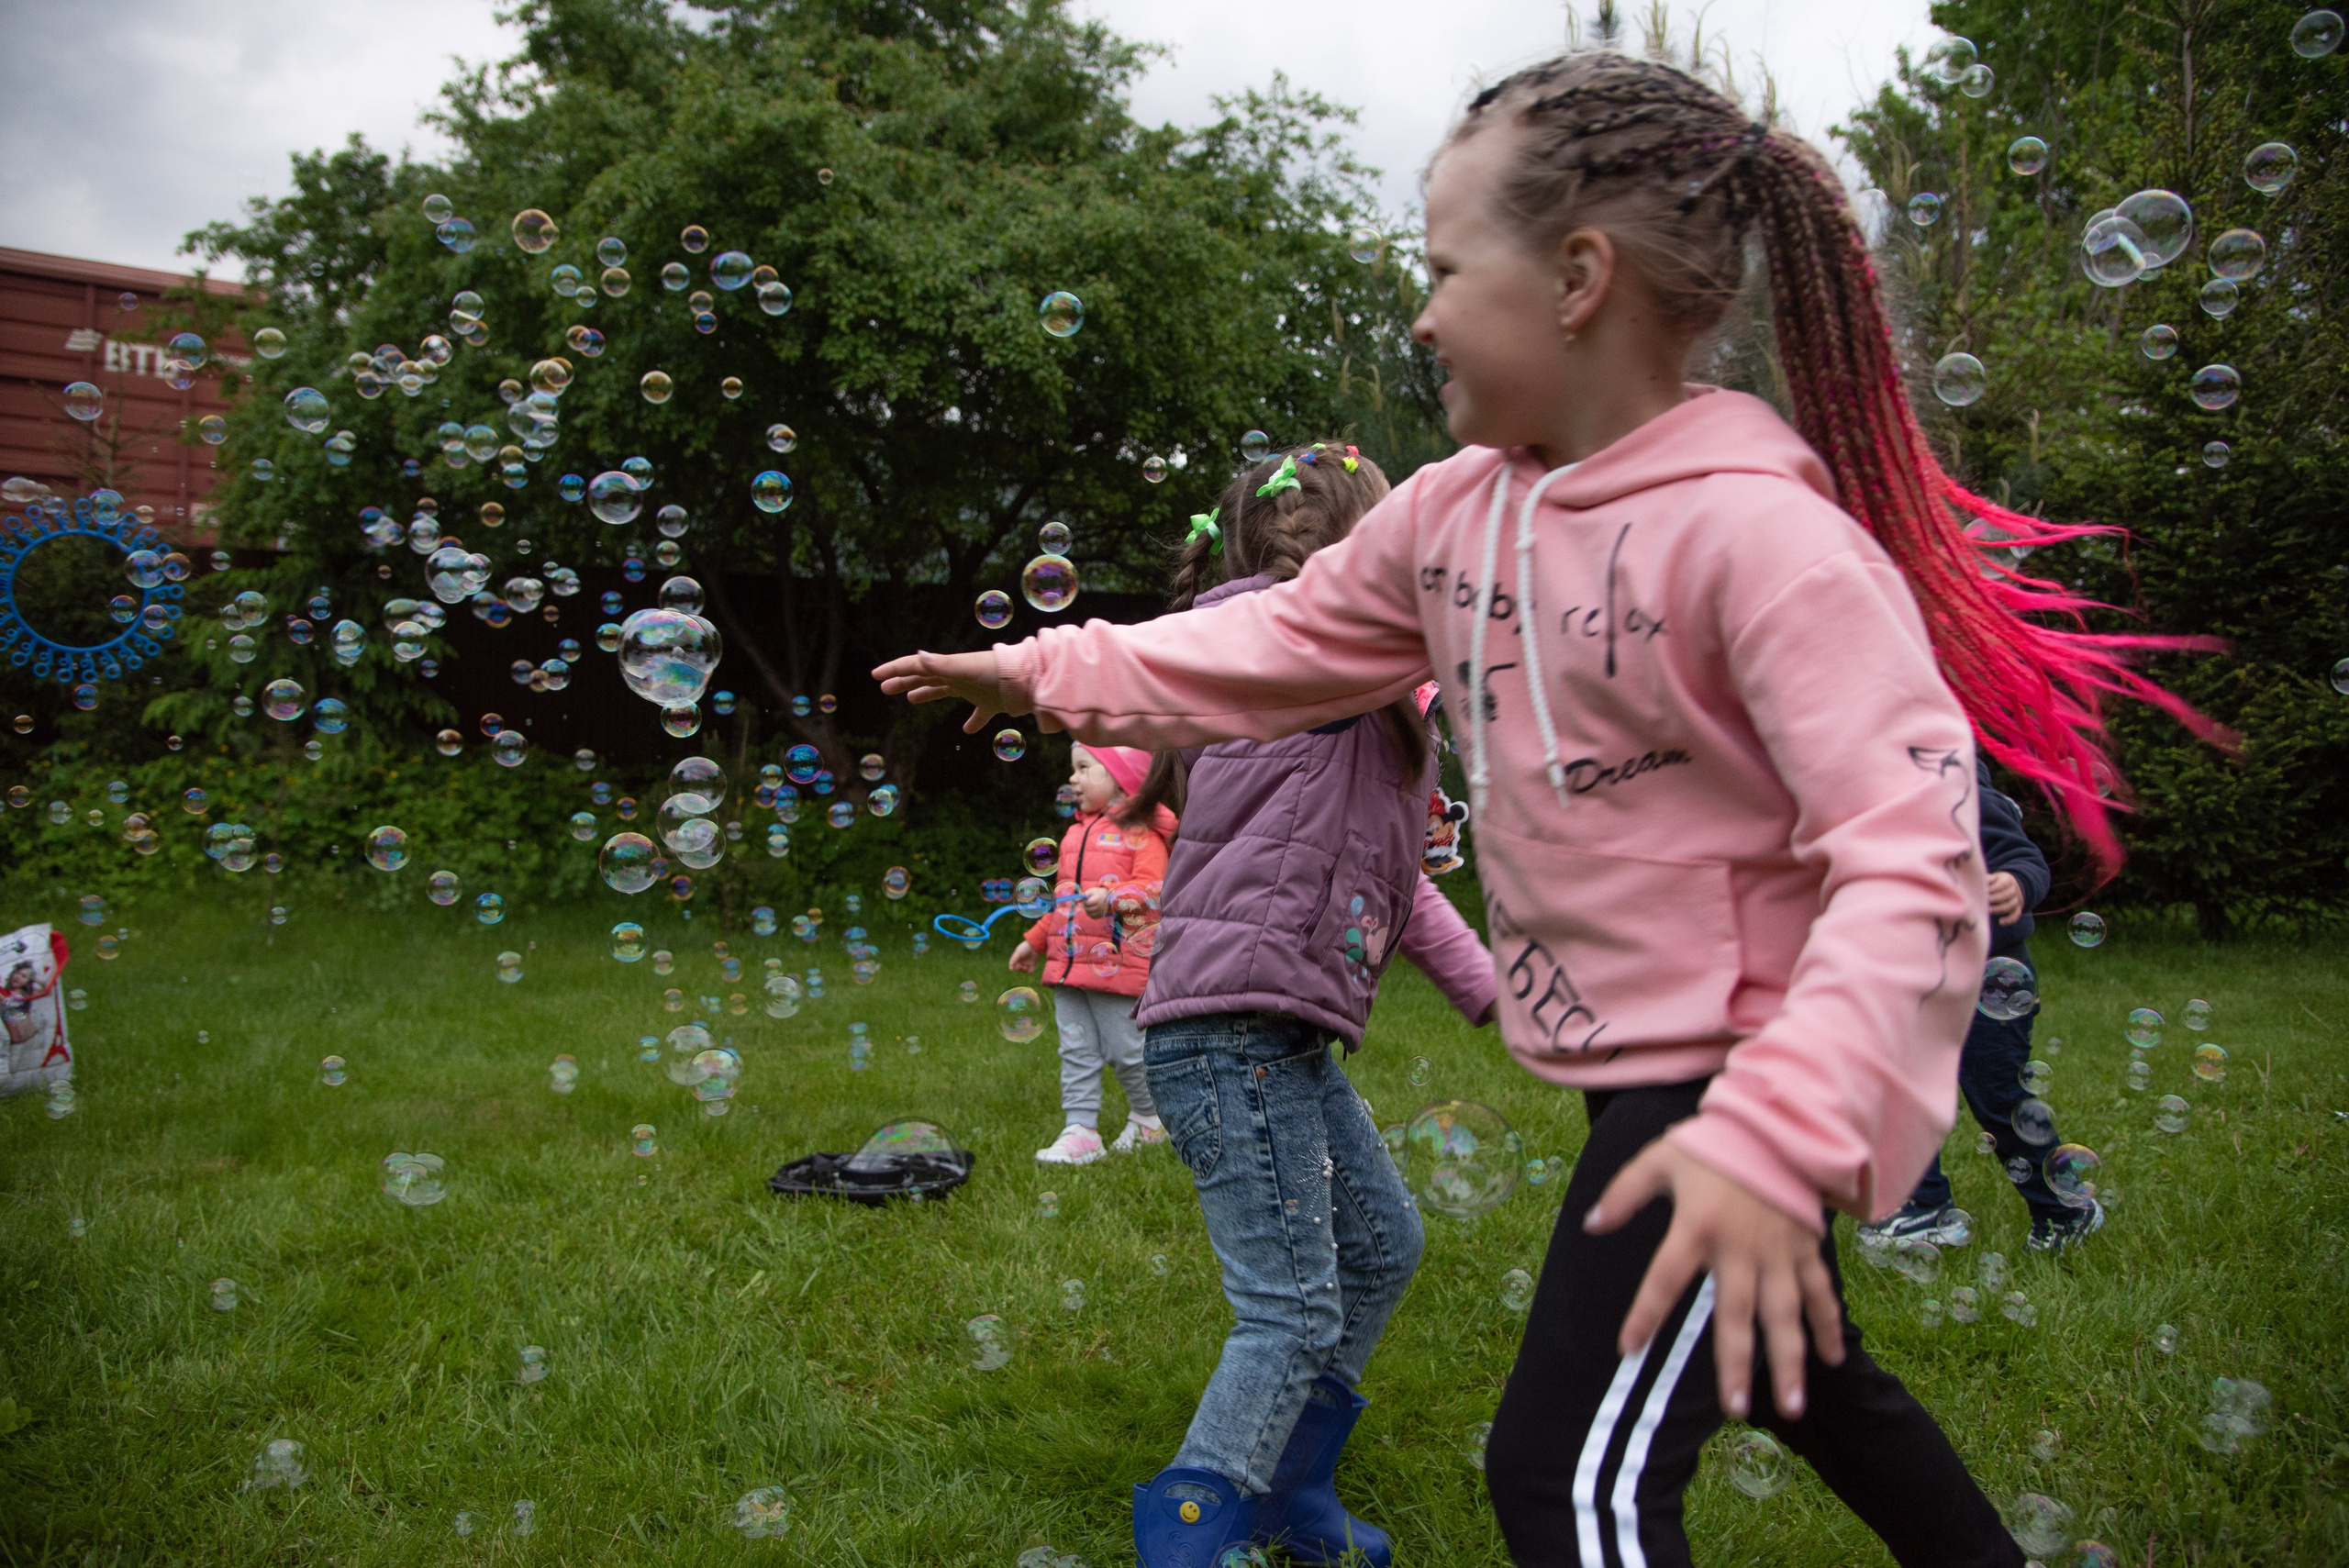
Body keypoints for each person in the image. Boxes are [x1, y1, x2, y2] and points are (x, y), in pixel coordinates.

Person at [879, 51, 2217, 1568]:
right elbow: (1267, 641)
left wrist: (1778, 1134)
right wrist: (1042, 668)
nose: (1422, 311)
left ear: (1579, 277)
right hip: (1651, 1084)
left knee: (1568, 1477)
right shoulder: (1453, 516)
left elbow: (1909, 870)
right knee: (1812, 1379)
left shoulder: (1766, 542)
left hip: (1737, 1091)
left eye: (1449, 266)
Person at [1107, 442, 1497, 1568]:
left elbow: (1396, 876)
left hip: (1276, 1031)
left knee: (1382, 1242)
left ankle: (1285, 1490)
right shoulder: (1300, 659)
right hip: (1230, 1032)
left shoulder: (1348, 688)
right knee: (1289, 1309)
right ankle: (1191, 1534)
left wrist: (1489, 991)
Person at [1862, 758, 2104, 1254]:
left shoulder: (1967, 796)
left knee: (1998, 1098)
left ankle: (2065, 1209)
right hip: (1918, 981)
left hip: (1992, 981)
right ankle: (1922, 1206)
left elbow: (2023, 857)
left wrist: (2016, 882)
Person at [1008, 742, 1173, 1164]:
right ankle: (1080, 1130)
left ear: (1122, 777)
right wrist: (1036, 940)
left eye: (1084, 768)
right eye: (1073, 769)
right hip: (1067, 966)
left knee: (1126, 1051)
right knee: (1075, 1049)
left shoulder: (1143, 832)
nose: (1073, 779)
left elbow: (1156, 890)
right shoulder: (1075, 834)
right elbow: (1065, 902)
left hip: (1117, 964)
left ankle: (1149, 1117)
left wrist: (1115, 896)